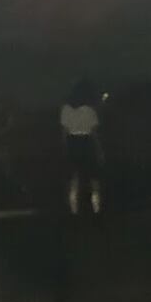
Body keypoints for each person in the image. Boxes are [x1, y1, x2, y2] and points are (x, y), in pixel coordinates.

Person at [57, 84, 107, 216]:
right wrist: (99, 151)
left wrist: (64, 148)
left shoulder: (66, 110)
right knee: (93, 179)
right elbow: (94, 134)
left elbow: (63, 132)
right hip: (87, 142)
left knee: (74, 178)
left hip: (72, 142)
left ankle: (74, 210)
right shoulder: (90, 111)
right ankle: (96, 209)